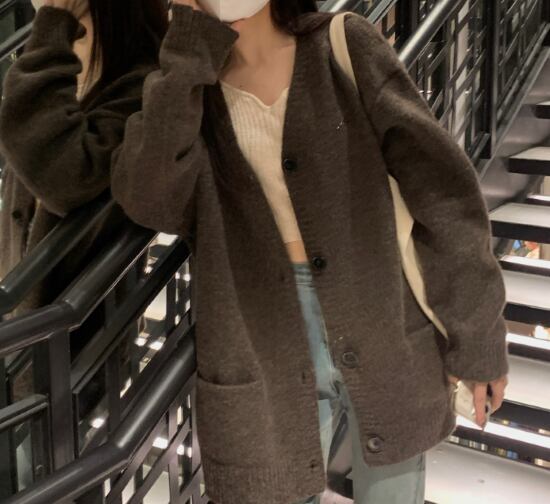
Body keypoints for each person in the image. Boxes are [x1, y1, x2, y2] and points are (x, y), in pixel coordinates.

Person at [111, 1, 509, 503]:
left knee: (393, 492)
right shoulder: (191, 86)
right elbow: (147, 198)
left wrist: (478, 336)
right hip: (259, 339)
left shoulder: (342, 45)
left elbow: (444, 193)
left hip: (381, 317)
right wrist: (189, 48)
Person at [0, 0, 167, 326]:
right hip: (24, 313)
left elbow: (63, 177)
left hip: (77, 334)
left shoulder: (142, 83)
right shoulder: (64, 57)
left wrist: (55, 22)